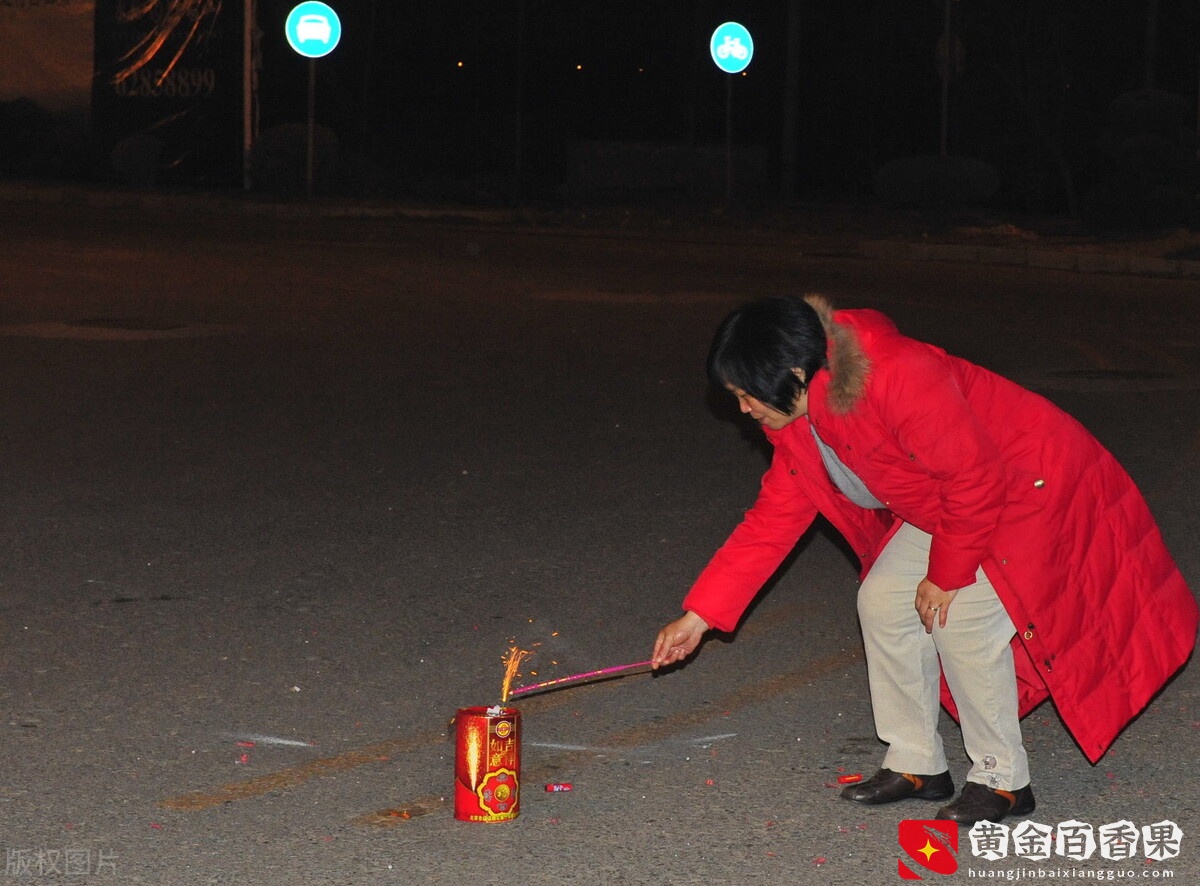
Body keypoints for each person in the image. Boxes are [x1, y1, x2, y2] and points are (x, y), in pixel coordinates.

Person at [651, 294, 1197, 826]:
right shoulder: (796, 422)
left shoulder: (894, 374)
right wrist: (699, 617)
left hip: (1031, 487)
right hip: (954, 502)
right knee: (883, 601)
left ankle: (1003, 778)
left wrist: (947, 574)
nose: (742, 410)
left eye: (746, 395)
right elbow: (771, 523)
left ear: (793, 370)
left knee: (959, 616)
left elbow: (975, 478)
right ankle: (916, 763)